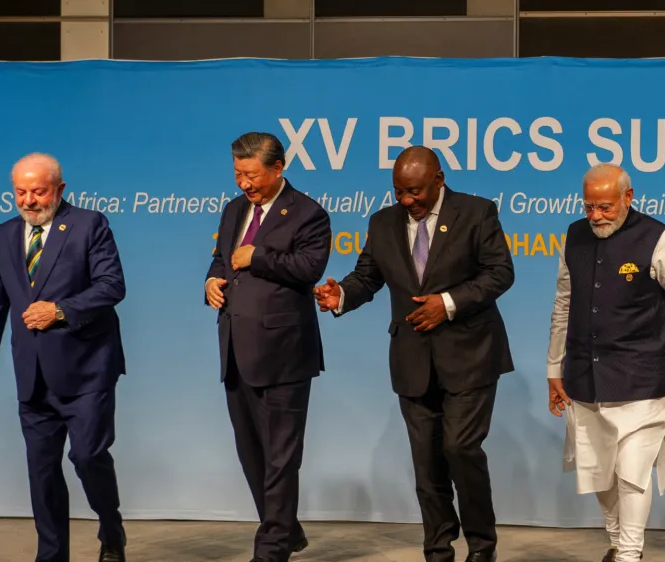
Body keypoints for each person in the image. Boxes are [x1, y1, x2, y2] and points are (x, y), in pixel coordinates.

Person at [313, 146, 514, 562]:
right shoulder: (383, 222)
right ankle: (438, 548)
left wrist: (448, 303)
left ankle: (482, 546)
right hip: (412, 360)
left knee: (460, 449)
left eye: (415, 192)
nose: (407, 201)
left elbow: (500, 273)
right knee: (426, 463)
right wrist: (341, 295)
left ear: (438, 180)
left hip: (471, 356)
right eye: (399, 192)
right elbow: (368, 276)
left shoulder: (476, 212)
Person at [0, 153, 128, 562]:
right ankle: (52, 556)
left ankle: (111, 530)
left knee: (88, 457)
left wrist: (59, 310)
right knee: (42, 474)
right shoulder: (4, 234)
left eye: (38, 192)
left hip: (87, 370)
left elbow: (112, 285)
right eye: (20, 192)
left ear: (59, 189)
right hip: (32, 375)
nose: (29, 201)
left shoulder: (89, 224)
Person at [546, 164, 665, 562]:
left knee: (633, 473)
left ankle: (629, 554)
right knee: (599, 472)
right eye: (589, 207)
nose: (596, 216)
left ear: (628, 197)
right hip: (584, 377)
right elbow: (563, 305)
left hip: (642, 382)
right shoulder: (574, 236)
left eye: (605, 207)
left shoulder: (659, 238)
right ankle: (618, 542)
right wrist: (554, 369)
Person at [205, 132, 331, 562]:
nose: (244, 183)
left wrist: (256, 256)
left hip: (284, 353)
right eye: (238, 174)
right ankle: (286, 529)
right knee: (251, 454)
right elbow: (222, 258)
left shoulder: (308, 214)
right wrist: (212, 280)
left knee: (281, 456)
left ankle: (272, 548)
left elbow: (309, 268)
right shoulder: (234, 209)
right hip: (235, 350)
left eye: (252, 175)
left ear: (278, 168)